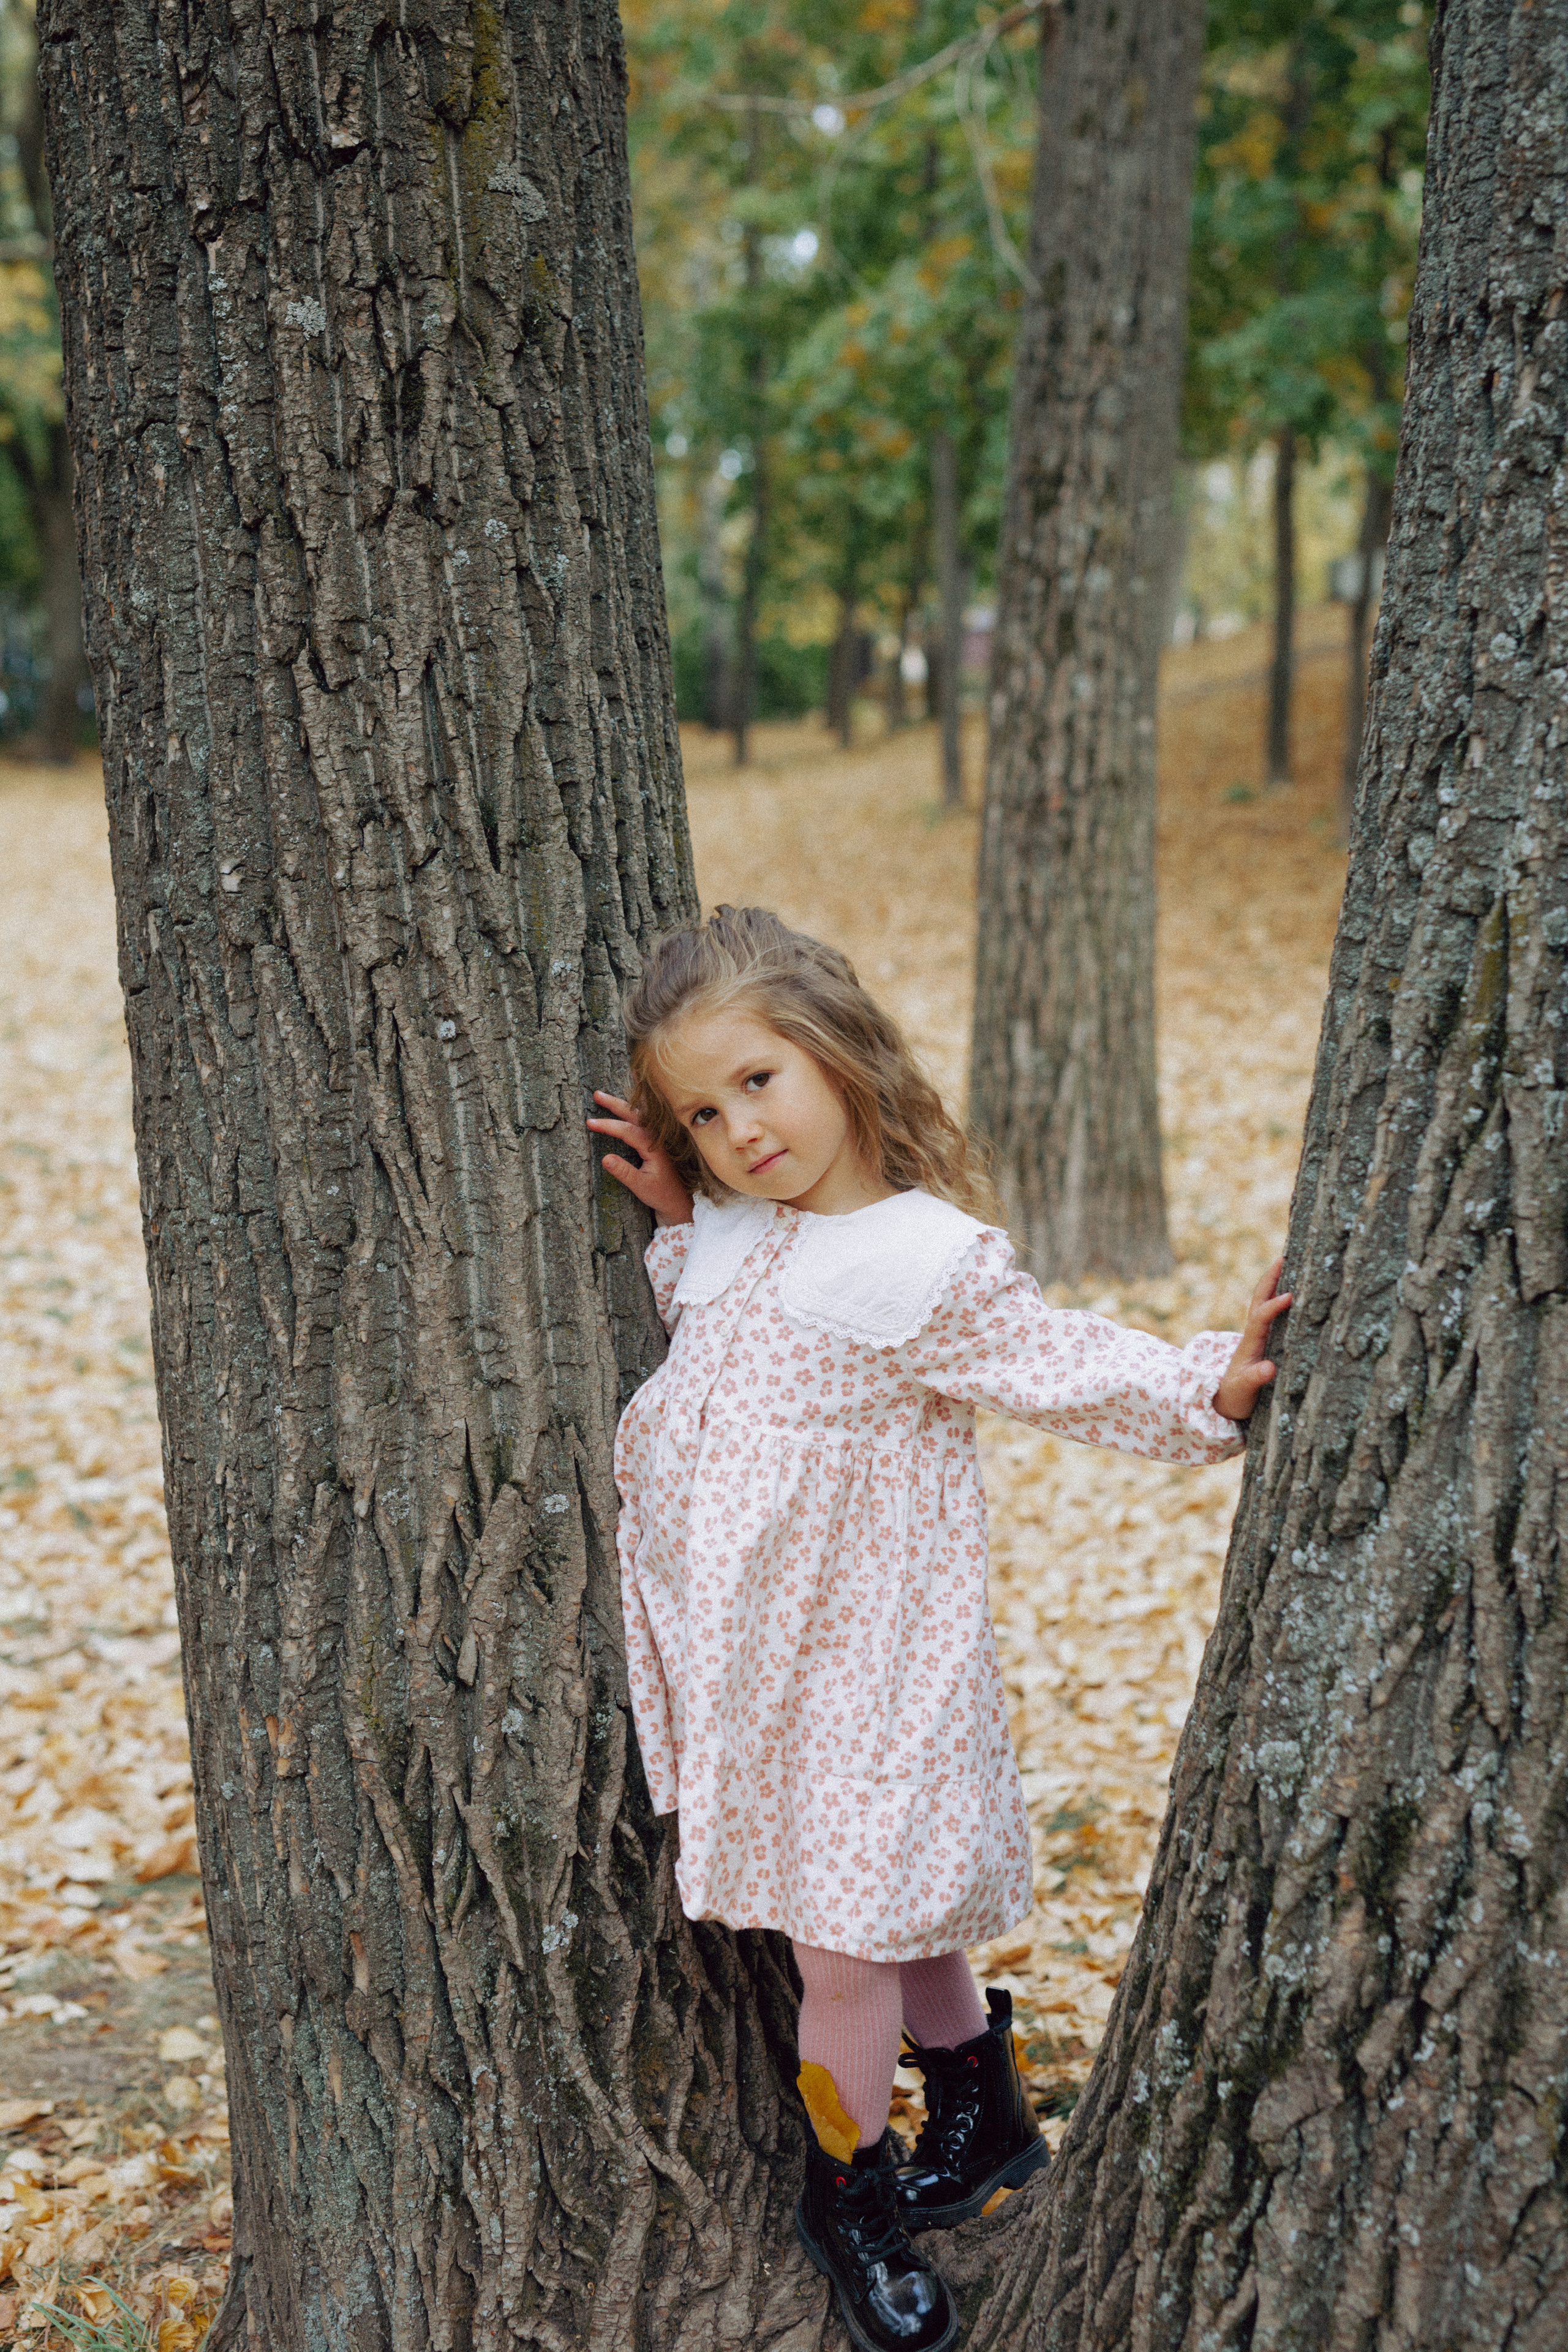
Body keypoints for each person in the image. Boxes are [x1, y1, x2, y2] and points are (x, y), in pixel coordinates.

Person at [587, 906, 1290, 2352]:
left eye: (758, 1083)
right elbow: (720, 1332)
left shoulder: (916, 1262)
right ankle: (980, 2112)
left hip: (862, 1665)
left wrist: (1198, 1387)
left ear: (836, 1054)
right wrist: (677, 1220)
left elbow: (1056, 1363)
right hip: (754, 1666)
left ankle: (850, 2191)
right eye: (707, 1113)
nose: (739, 1131)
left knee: (840, 1949)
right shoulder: (741, 1235)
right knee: (876, 1910)